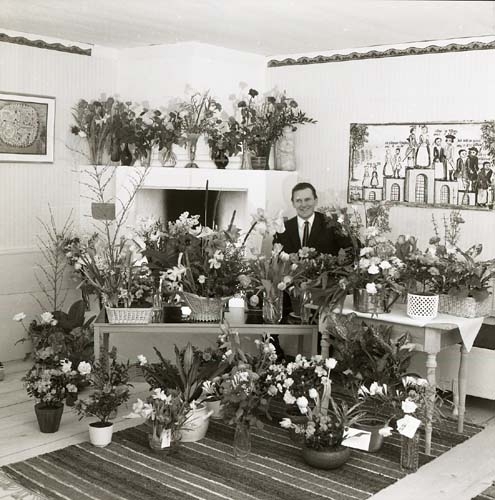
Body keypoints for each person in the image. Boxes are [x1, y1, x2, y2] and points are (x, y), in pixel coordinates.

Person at [274, 182, 354, 255]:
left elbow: (353, 247)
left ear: (316, 201)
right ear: (293, 204)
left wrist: (342, 220)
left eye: (307, 199)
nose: (303, 205)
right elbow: (275, 260)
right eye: (298, 201)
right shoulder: (283, 228)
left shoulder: (332, 222)